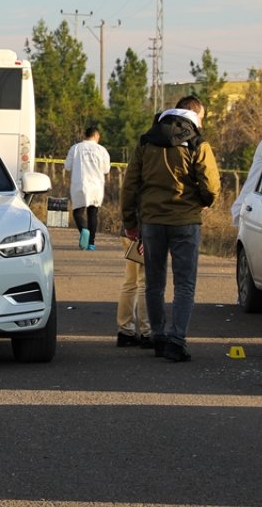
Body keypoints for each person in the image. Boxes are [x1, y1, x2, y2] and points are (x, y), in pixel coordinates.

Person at [121, 96, 220, 362]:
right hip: (185, 221)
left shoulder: (146, 141)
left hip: (152, 222)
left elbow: (130, 184)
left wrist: (130, 222)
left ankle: (158, 337)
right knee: (184, 285)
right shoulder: (198, 143)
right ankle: (177, 340)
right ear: (194, 115)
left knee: (154, 283)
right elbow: (210, 186)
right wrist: (203, 202)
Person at [65, 126, 112, 250]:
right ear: (96, 136)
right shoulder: (102, 150)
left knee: (78, 212)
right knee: (93, 213)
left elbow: (67, 167)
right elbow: (106, 169)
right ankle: (91, 243)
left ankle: (83, 229)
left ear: (84, 136)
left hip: (80, 183)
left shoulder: (75, 148)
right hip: (96, 185)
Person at [116, 233, 151, 348]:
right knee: (145, 283)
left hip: (128, 233)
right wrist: (143, 238)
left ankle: (125, 332)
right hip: (142, 234)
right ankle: (148, 332)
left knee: (130, 283)